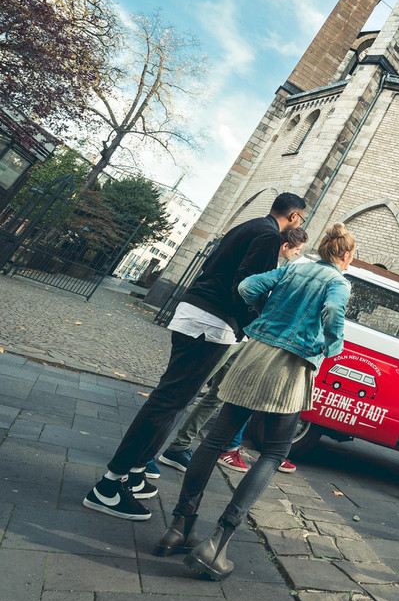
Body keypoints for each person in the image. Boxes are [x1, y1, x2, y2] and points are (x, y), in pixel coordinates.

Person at [83, 193, 307, 522]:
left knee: (174, 401)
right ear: (294, 217)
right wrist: (255, 326)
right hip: (210, 322)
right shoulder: (268, 234)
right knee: (168, 400)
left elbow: (214, 268)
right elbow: (245, 287)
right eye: (301, 219)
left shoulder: (250, 226)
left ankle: (132, 471)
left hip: (202, 315)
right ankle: (108, 486)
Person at [154, 223, 355, 580]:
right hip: (289, 366)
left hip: (254, 353)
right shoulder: (338, 282)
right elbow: (332, 315)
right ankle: (217, 543)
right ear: (346, 255)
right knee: (275, 453)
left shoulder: (294, 267)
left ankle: (179, 527)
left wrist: (261, 314)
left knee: (214, 440)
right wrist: (332, 346)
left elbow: (248, 286)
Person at [158, 226, 309, 476]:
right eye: (297, 250)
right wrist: (255, 315)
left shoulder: (278, 265)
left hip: (241, 336)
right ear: (286, 246)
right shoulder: (271, 264)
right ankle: (152, 452)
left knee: (217, 394)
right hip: (231, 330)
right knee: (192, 388)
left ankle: (178, 446)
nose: (296, 255)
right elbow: (246, 290)